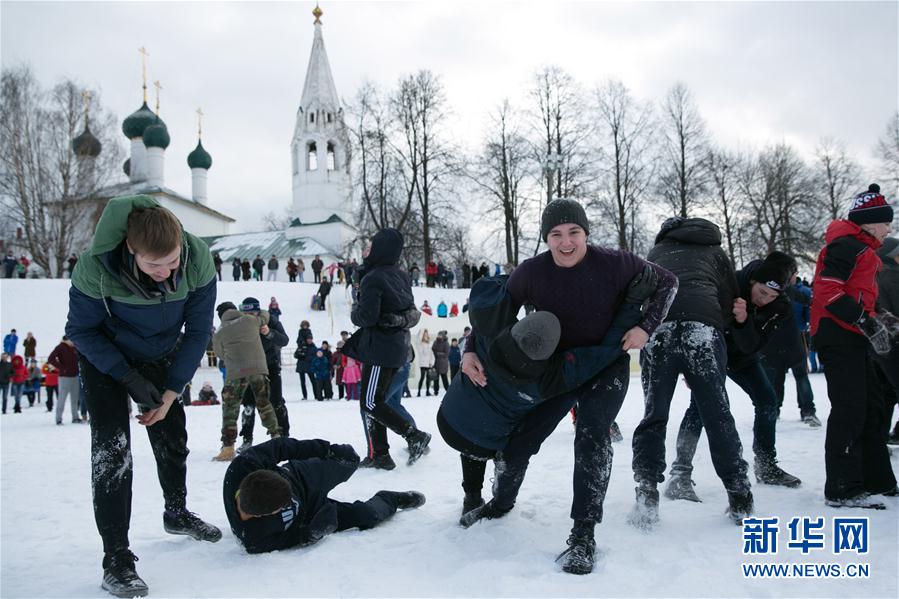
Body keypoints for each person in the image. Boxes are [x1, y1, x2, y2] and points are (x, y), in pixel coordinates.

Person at [459, 199, 677, 575]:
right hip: (555, 370)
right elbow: (493, 318)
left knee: (592, 437)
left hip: (605, 367)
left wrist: (647, 326)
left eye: (574, 232)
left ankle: (583, 535)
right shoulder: (531, 272)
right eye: (556, 235)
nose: (565, 242)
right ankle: (500, 502)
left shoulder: (615, 262)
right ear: (546, 238)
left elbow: (669, 282)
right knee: (520, 440)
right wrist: (468, 350)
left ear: (586, 233)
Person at [65, 195, 221, 597]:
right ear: (130, 250)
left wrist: (170, 392)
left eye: (172, 261)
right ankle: (116, 556)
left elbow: (200, 330)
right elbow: (81, 331)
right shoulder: (95, 269)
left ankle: (177, 511)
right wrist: (127, 376)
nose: (167, 272)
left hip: (164, 351)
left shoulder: (197, 256)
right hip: (107, 358)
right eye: (154, 265)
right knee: (113, 451)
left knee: (173, 436)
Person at [629, 217, 753, 527]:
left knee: (654, 414)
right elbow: (730, 300)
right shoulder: (715, 252)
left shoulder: (656, 252)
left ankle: (646, 493)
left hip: (659, 331)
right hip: (704, 331)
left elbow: (644, 294)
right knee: (717, 414)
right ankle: (739, 495)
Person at [670, 251, 803, 490]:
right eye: (762, 292)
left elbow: (754, 344)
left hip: (743, 356)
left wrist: (743, 322)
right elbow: (700, 322)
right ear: (753, 281)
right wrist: (693, 366)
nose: (765, 299)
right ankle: (680, 472)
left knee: (767, 400)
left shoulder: (780, 307)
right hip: (712, 352)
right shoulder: (729, 284)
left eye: (772, 295)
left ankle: (766, 464)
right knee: (699, 407)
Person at [810, 184, 897, 508]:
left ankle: (876, 479)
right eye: (886, 222)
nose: (889, 228)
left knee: (873, 406)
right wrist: (865, 321)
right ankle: (841, 487)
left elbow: (861, 297)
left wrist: (880, 319)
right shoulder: (846, 246)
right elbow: (827, 292)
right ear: (870, 222)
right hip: (836, 334)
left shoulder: (865, 250)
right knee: (850, 407)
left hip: (854, 335)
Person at [222, 437, 424, 554]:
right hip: (310, 513)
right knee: (366, 515)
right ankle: (392, 499)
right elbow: (292, 538)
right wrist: (313, 532)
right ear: (262, 515)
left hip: (300, 477)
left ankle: (333, 462)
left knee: (349, 459)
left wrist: (325, 449)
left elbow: (282, 447)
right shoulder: (255, 539)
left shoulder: (243, 467)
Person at [342, 228, 432, 467]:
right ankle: (380, 455)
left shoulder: (373, 278)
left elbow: (366, 317)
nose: (366, 250)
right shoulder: (400, 275)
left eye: (370, 245)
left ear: (380, 249)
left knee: (371, 403)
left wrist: (354, 307)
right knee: (375, 401)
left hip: (380, 350)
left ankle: (415, 436)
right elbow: (411, 313)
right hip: (397, 348)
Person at [212, 301, 281, 462]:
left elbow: (220, 354)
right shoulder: (251, 320)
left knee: (230, 408)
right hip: (258, 369)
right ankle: (276, 437)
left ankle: (228, 447)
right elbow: (265, 314)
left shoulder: (220, 332)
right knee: (264, 403)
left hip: (235, 372)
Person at [237, 297, 291, 453]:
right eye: (246, 313)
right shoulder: (238, 324)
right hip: (248, 368)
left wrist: (269, 333)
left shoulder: (270, 320)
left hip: (270, 367)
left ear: (258, 311)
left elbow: (284, 340)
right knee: (248, 405)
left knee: (276, 402)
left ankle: (284, 435)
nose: (250, 317)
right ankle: (246, 439)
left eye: (252, 313)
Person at [873, 237, 899, 445]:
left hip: (882, 347)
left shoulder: (878, 276)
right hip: (893, 344)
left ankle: (879, 439)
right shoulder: (891, 277)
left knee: (885, 395)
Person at [48, 336, 80, 425]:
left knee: (75, 399)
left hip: (75, 376)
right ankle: (58, 419)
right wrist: (62, 368)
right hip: (64, 377)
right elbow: (51, 358)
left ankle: (75, 417)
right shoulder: (60, 347)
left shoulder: (75, 348)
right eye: (72, 340)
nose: (73, 342)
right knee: (62, 398)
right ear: (67, 340)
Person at [294, 321, 314, 400]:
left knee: (313, 380)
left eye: (306, 325)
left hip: (308, 365)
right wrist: (301, 346)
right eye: (304, 325)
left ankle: (317, 394)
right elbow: (296, 354)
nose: (305, 326)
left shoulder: (309, 333)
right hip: (301, 364)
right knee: (303, 382)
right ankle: (305, 396)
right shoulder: (300, 332)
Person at [416, 329, 435, 396]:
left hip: (428, 364)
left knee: (428, 378)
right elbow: (418, 340)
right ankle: (419, 392)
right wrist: (421, 331)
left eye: (427, 335)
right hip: (423, 363)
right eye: (424, 335)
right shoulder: (420, 344)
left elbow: (431, 355)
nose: (426, 336)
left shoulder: (429, 344)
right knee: (422, 377)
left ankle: (427, 391)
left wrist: (431, 362)